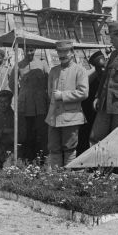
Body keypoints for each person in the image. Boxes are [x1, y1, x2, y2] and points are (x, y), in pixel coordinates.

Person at [45, 40, 89, 168]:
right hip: (53, 117)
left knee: (69, 148)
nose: (62, 55)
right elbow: (50, 93)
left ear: (72, 52)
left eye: (65, 52)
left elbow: (83, 92)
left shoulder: (80, 70)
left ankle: (67, 177)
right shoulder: (53, 71)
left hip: (71, 117)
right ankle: (55, 177)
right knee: (54, 147)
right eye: (59, 52)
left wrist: (63, 95)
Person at [8, 45, 50, 161]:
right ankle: (29, 159)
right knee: (27, 133)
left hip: (41, 104)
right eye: (27, 50)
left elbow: (49, 80)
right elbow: (12, 83)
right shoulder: (19, 65)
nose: (29, 53)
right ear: (23, 50)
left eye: (31, 50)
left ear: (35, 50)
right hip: (25, 105)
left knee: (42, 131)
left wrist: (45, 93)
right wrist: (21, 93)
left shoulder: (43, 64)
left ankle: (43, 159)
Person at [76, 50, 107, 155]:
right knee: (86, 133)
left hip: (102, 113)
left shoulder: (108, 78)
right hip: (89, 113)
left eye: (103, 67)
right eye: (99, 68)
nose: (102, 70)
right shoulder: (91, 79)